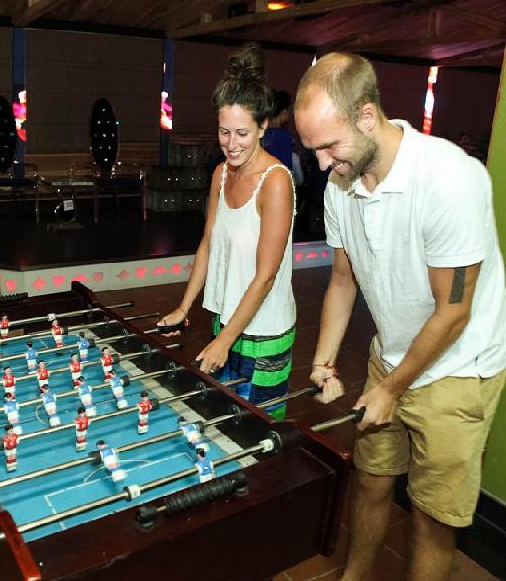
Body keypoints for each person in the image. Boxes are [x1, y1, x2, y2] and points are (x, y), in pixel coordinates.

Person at [294, 52, 506, 581]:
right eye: (312, 149)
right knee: (370, 480)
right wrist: (324, 361)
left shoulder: (449, 179)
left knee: (431, 517)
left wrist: (391, 389)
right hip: (390, 357)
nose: (320, 164)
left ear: (367, 116)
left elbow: (454, 310)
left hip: (459, 368)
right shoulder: (341, 184)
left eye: (329, 146)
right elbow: (343, 281)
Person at [158, 43, 296, 419]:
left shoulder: (276, 181)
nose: (231, 145)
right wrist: (184, 306)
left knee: (257, 429)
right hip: (225, 321)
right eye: (223, 132)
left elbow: (266, 276)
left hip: (263, 333)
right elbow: (208, 243)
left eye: (241, 133)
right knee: (224, 421)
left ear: (263, 126)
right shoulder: (220, 174)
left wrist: (224, 341)